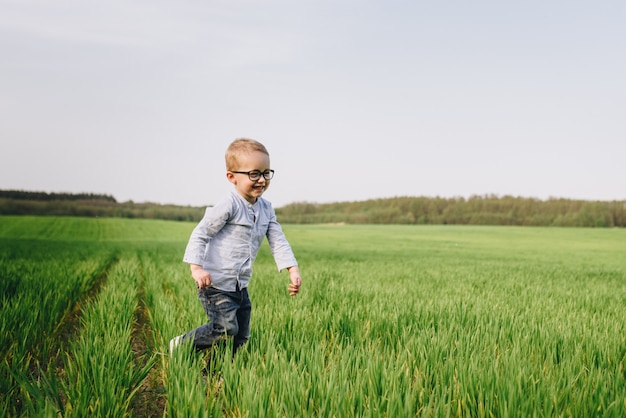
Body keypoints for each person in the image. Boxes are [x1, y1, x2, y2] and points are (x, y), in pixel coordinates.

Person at [170, 138, 302, 359]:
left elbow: (278, 240)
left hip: (240, 286)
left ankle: (222, 369)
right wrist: (196, 269)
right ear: (232, 177)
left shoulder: (267, 209)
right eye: (254, 174)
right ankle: (181, 345)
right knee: (225, 328)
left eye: (266, 173)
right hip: (216, 284)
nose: (261, 180)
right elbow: (201, 233)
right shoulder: (229, 205)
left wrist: (292, 269)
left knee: (241, 335)